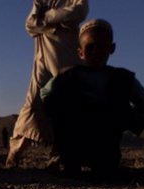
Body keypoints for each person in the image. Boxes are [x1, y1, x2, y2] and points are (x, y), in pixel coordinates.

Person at [41, 19, 144, 176]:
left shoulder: (123, 78)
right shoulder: (66, 76)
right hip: (72, 143)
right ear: (80, 52)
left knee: (104, 169)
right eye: (90, 47)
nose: (96, 51)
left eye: (101, 46)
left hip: (106, 143)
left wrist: (125, 120)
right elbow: (46, 95)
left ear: (111, 48)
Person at [6, 0, 89, 168]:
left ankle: (59, 155)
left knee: (66, 101)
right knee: (33, 103)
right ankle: (15, 151)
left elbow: (78, 11)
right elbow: (29, 25)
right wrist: (55, 20)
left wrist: (46, 19)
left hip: (66, 52)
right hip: (42, 55)